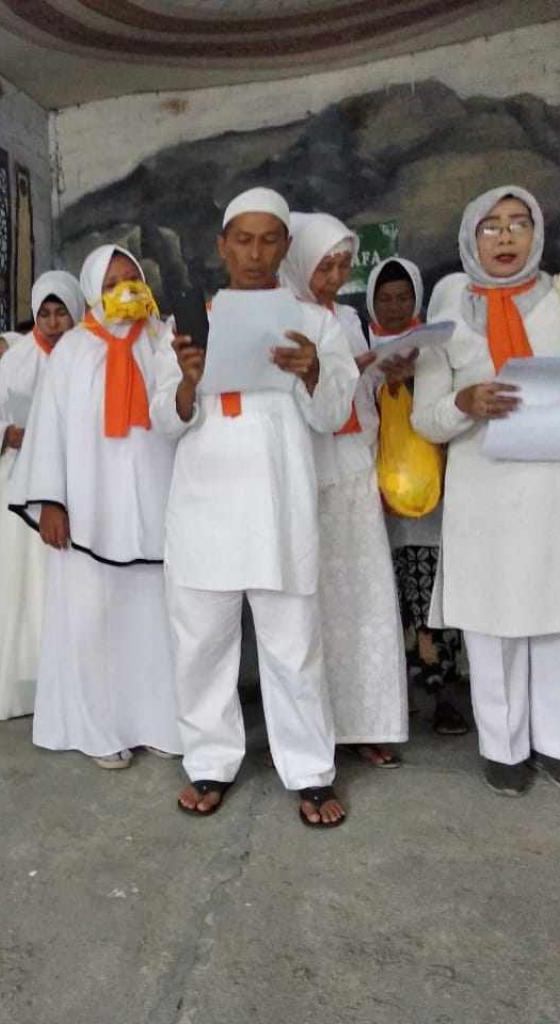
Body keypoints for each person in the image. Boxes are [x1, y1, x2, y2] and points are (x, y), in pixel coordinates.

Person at [411, 185, 560, 796]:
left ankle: (558, 746)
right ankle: (502, 749)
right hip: (487, 492)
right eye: (490, 227)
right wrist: (464, 401)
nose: (505, 237)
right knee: (492, 619)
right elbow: (426, 419)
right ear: (470, 237)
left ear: (536, 234)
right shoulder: (448, 312)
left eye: (518, 223)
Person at [156, 188, 358, 827]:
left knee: (294, 649)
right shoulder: (187, 321)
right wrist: (187, 383)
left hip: (279, 510)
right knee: (201, 647)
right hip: (203, 509)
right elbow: (164, 419)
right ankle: (209, 763)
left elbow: (332, 417)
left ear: (285, 247)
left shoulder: (315, 324)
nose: (255, 253)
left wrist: (313, 372)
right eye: (242, 239)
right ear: (222, 246)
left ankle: (310, 772)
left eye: (269, 240)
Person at [7, 246, 181, 768]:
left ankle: (159, 723)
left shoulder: (163, 341)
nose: (124, 290)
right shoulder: (73, 351)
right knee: (92, 623)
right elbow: (48, 430)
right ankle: (100, 730)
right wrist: (51, 501)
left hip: (156, 507)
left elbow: (181, 411)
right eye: (111, 283)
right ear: (91, 292)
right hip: (89, 513)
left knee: (156, 621)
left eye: (132, 278)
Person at [281, 214, 409, 769]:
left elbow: (363, 393)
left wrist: (381, 374)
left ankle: (367, 723)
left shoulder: (352, 318)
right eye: (323, 266)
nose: (334, 278)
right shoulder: (282, 319)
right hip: (306, 474)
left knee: (365, 604)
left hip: (355, 467)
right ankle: (319, 730)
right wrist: (334, 376)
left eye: (342, 266)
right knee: (315, 611)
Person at [366, 257, 471, 736]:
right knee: (394, 602)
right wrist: (383, 382)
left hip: (432, 500)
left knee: (434, 600)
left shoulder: (435, 350)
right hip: (381, 504)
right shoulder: (362, 352)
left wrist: (411, 380)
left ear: (417, 300)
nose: (393, 307)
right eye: (385, 298)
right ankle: (402, 695)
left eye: (403, 297)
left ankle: (444, 696)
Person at [0, 273, 82, 719]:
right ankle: (24, 681)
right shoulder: (17, 359)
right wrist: (8, 433)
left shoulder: (87, 355)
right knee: (21, 582)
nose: (54, 323)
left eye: (62, 313)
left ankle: (69, 682)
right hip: (18, 482)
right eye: (45, 314)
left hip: (73, 481)